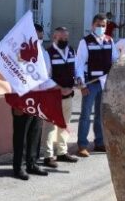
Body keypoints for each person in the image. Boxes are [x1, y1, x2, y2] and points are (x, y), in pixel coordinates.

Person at [75, 14, 119, 157]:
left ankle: (99, 142)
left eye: (103, 25)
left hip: (105, 83)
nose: (101, 28)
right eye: (98, 25)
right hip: (90, 83)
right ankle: (82, 144)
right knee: (85, 115)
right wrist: (81, 84)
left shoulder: (110, 40)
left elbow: (115, 60)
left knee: (100, 115)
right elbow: (79, 64)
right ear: (92, 26)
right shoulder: (85, 42)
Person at [11, 24, 48, 180]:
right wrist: (16, 102)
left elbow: (47, 76)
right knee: (21, 134)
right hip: (23, 99)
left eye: (40, 37)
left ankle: (32, 163)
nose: (38, 40)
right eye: (36, 37)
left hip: (39, 97)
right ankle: (18, 167)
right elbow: (12, 77)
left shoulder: (43, 53)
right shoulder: (18, 53)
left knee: (35, 132)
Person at [42, 27, 78, 168]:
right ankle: (48, 155)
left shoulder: (71, 50)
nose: (64, 40)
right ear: (54, 37)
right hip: (53, 96)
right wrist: (60, 89)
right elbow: (46, 77)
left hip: (68, 95)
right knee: (50, 127)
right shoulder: (48, 53)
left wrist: (78, 81)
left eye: (66, 38)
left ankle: (62, 152)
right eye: (61, 38)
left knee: (64, 125)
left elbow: (75, 70)